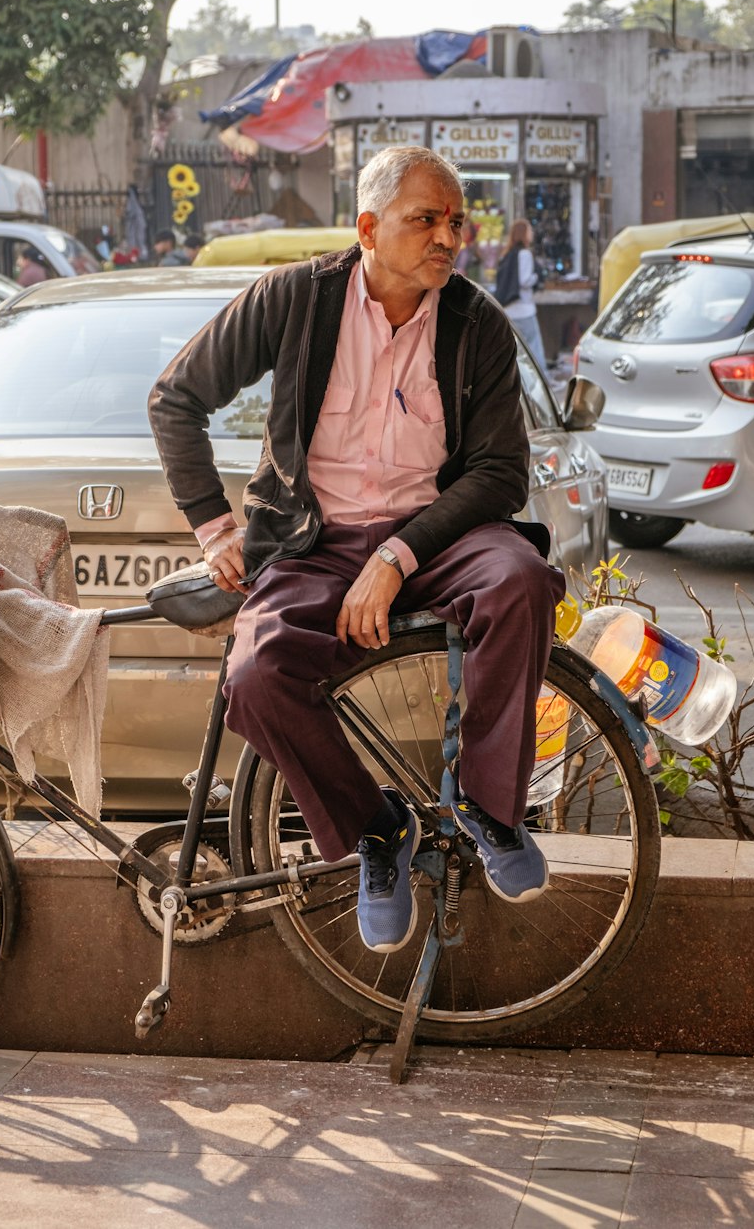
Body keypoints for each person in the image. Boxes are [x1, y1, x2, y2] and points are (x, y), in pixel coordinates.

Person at [148, 145, 564, 956]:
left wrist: (397, 556)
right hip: (314, 540)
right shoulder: (295, 298)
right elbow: (177, 397)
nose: (448, 237)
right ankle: (377, 831)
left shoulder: (477, 323)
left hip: (436, 538)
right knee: (257, 672)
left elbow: (500, 473)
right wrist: (213, 526)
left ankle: (488, 809)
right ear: (368, 227)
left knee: (520, 578)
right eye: (426, 221)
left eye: (456, 222)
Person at [496, 218, 547, 369]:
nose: (532, 233)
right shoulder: (525, 254)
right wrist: (537, 276)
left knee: (517, 352)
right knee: (534, 348)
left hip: (510, 310)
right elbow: (524, 280)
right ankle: (542, 382)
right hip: (524, 310)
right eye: (529, 230)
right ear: (524, 234)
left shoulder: (507, 254)